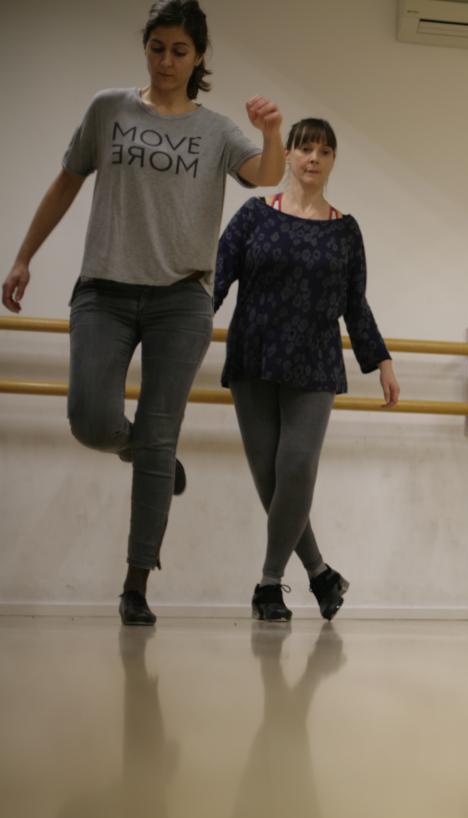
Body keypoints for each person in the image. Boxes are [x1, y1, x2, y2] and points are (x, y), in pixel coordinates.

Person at [1, 0, 285, 626]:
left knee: (161, 431)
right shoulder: (109, 109)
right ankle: (146, 452)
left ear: (199, 56)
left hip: (181, 300)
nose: (166, 61)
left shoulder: (216, 131)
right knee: (90, 420)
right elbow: (66, 181)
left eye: (179, 51)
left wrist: (271, 132)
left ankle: (136, 584)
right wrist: (23, 257)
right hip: (103, 291)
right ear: (146, 48)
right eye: (157, 48)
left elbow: (267, 173)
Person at [215, 117, 399, 622]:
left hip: (314, 361)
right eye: (304, 148)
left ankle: (268, 583)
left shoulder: (345, 230)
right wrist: (182, 335)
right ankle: (320, 573)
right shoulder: (254, 215)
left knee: (296, 468)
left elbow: (355, 304)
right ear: (289, 156)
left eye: (324, 150)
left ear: (333, 160)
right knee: (271, 480)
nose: (313, 158)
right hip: (253, 355)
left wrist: (380, 360)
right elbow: (216, 279)